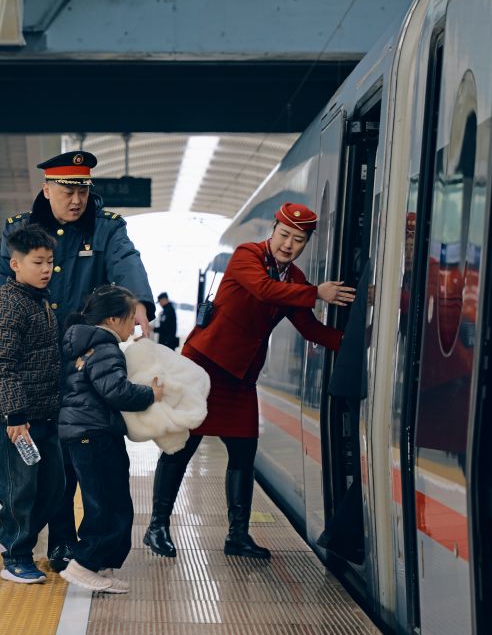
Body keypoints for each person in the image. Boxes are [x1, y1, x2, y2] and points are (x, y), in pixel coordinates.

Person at [142, 203, 355, 560]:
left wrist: (356, 344)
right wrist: (317, 292)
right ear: (273, 229)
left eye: (298, 240)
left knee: (244, 453)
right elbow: (263, 290)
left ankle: (237, 536)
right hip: (205, 368)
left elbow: (310, 329)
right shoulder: (247, 256)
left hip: (240, 378)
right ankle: (157, 527)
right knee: (182, 446)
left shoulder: (296, 279)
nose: (288, 245)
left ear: (306, 243)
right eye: (284, 235)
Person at [0, 150, 156, 572]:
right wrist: (15, 315)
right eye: (67, 190)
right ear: (47, 189)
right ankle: (59, 541)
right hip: (39, 358)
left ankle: (82, 543)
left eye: (82, 190)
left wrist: (138, 302)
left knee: (83, 447)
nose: (77, 199)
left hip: (81, 357)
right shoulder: (21, 228)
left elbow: (126, 260)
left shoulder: (106, 228)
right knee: (49, 457)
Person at [0, 224, 65, 584]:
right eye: (38, 262)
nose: (46, 269)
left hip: (41, 412)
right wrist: (14, 415)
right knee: (19, 488)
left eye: (50, 262)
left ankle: (10, 535)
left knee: (53, 487)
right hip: (12, 418)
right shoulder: (8, 306)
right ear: (15, 264)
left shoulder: (37, 301)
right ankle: (15, 556)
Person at [58, 285, 163, 593]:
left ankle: (100, 566)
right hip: (95, 435)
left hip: (86, 434)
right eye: (131, 319)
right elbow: (115, 391)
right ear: (114, 320)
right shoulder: (105, 347)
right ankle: (84, 564)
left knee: (108, 501)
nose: (134, 326)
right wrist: (150, 394)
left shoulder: (85, 344)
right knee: (108, 504)